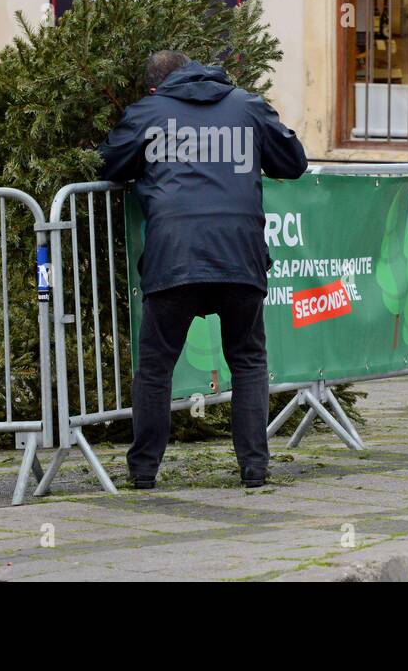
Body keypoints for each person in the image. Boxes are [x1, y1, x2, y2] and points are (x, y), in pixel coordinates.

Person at [97, 51, 308, 489]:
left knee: (156, 368)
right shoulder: (248, 106)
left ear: (156, 87)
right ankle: (254, 468)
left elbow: (108, 165)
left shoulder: (148, 113)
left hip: (174, 257)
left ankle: (143, 473)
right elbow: (293, 163)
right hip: (240, 256)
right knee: (248, 361)